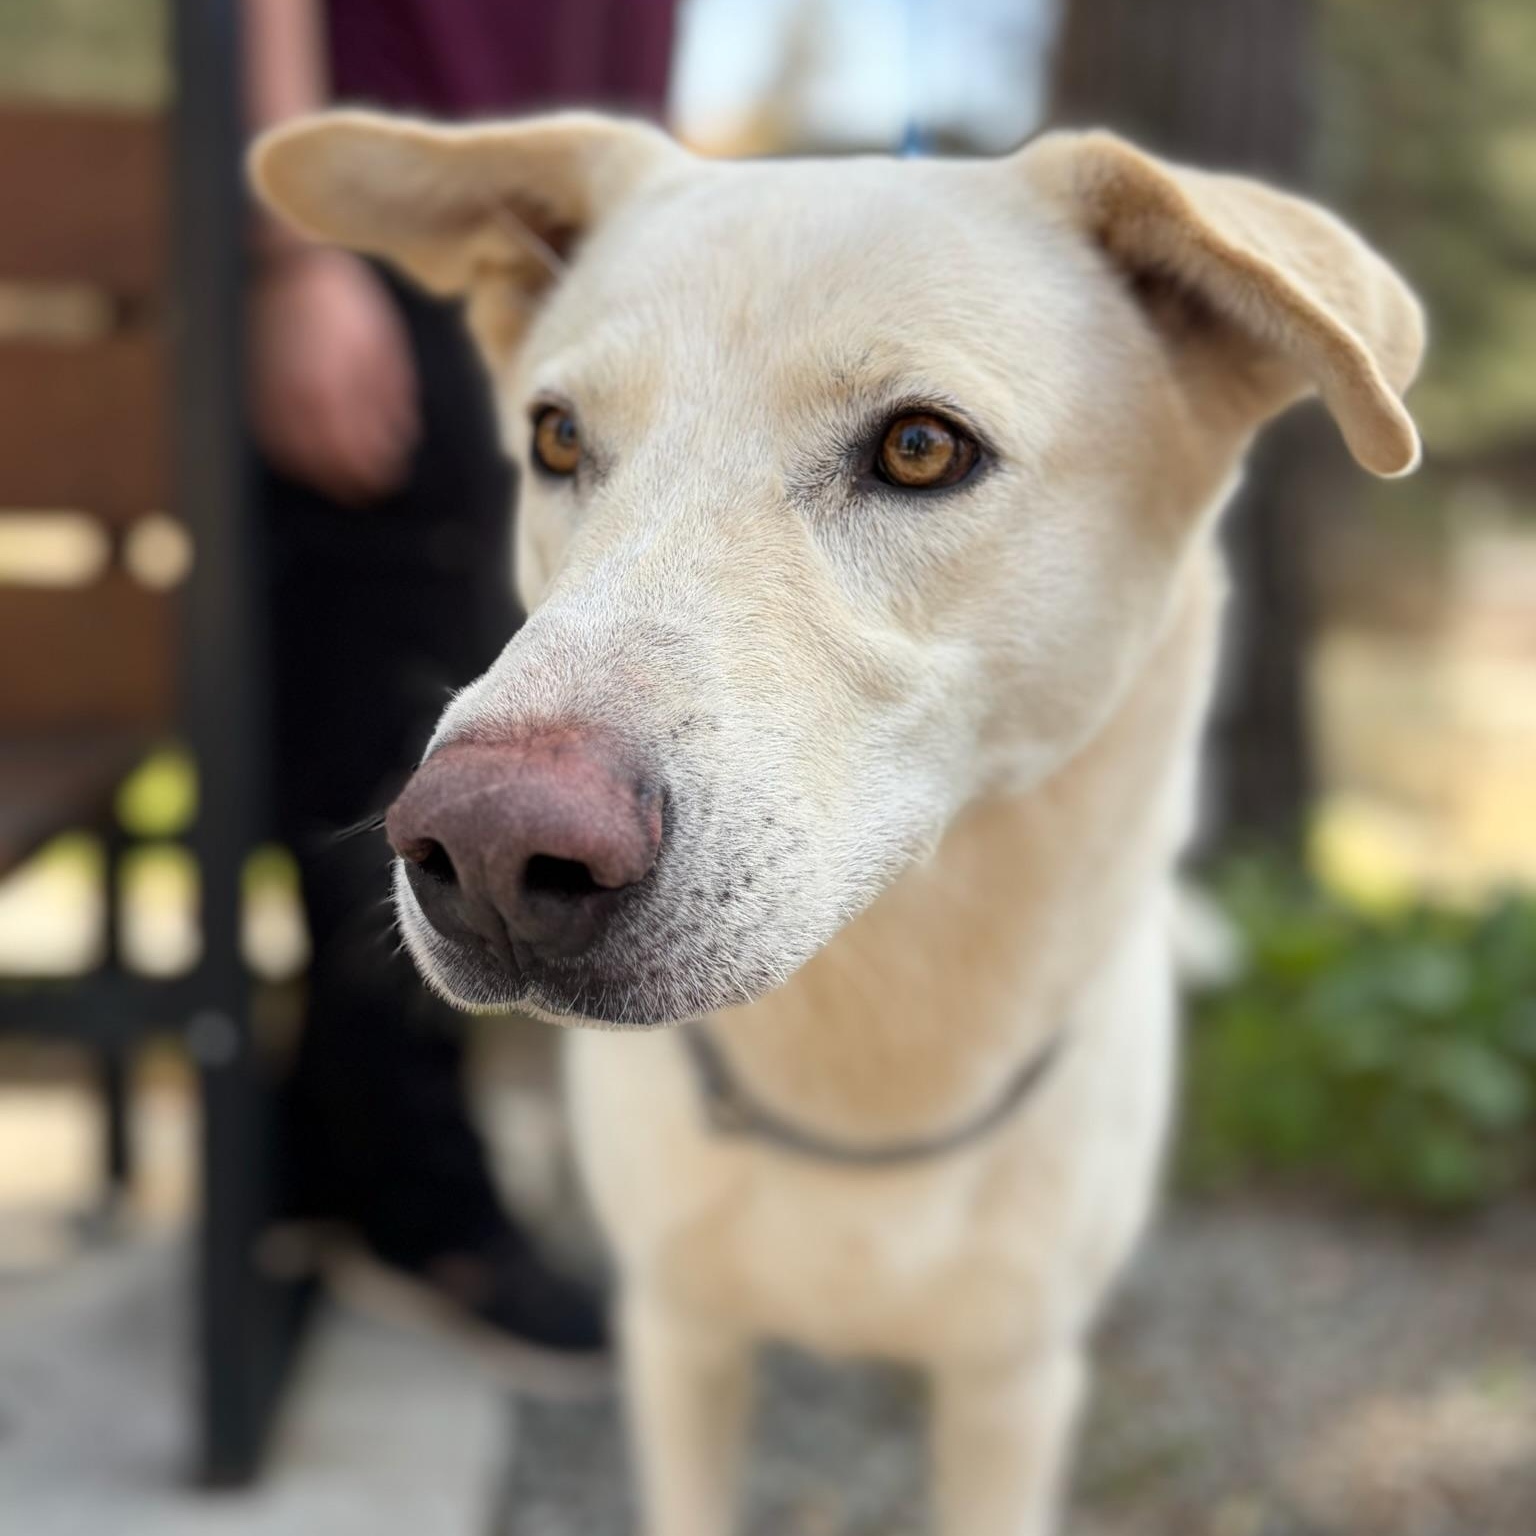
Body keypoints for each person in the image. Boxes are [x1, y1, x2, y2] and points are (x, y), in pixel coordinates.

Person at [243, 0, 678, 1357]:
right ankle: (417, 1196)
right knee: (402, 729)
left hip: (574, 274)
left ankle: (320, 1158)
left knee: (453, 677)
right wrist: (291, 259)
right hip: (390, 250)